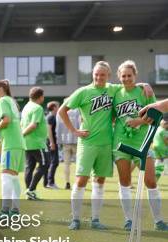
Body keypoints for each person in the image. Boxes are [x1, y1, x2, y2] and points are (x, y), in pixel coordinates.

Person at [58, 61, 153, 230]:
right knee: (81, 180)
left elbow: (129, 83)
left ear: (108, 76)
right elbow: (62, 110)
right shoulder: (83, 91)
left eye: (103, 74)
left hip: (106, 144)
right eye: (96, 74)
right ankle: (76, 218)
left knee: (99, 180)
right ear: (92, 74)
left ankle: (95, 220)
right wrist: (74, 131)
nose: (99, 77)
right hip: (87, 143)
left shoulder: (113, 89)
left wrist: (144, 85)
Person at [112, 60, 166, 231]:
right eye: (123, 76)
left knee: (150, 181)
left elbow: (156, 113)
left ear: (135, 76)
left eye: (130, 75)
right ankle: (129, 220)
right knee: (125, 181)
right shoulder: (115, 93)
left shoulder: (144, 91)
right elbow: (111, 116)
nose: (126, 78)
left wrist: (138, 121)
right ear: (119, 77)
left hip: (143, 143)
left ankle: (159, 221)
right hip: (120, 143)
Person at [0, 80, 25, 217]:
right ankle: (15, 210)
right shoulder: (12, 101)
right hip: (18, 143)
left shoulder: (2, 101)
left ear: (0, 89)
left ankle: (5, 211)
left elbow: (6, 121)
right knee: (14, 178)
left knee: (6, 176)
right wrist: (0, 141)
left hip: (12, 144)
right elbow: (12, 125)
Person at [20, 87, 48, 200]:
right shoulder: (37, 108)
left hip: (27, 143)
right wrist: (22, 135)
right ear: (40, 97)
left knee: (29, 167)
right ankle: (31, 190)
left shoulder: (26, 107)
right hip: (37, 142)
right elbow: (33, 125)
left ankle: (29, 192)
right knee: (45, 164)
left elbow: (23, 124)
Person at [56, 107, 80, 190]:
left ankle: (67, 182)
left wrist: (59, 140)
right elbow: (80, 124)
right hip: (76, 140)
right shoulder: (77, 111)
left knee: (66, 164)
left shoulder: (60, 112)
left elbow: (58, 127)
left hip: (65, 140)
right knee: (79, 163)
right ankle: (78, 182)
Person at [44, 101, 59, 189]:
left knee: (50, 162)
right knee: (54, 162)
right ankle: (50, 182)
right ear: (53, 107)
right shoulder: (51, 117)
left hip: (52, 141)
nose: (59, 108)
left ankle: (47, 182)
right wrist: (52, 142)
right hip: (51, 142)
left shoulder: (52, 117)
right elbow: (49, 130)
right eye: (57, 106)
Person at [151, 116, 168, 181]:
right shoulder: (164, 131)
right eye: (166, 124)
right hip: (163, 149)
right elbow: (166, 141)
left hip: (155, 148)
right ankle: (165, 172)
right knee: (164, 162)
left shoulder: (157, 129)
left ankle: (155, 178)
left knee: (158, 163)